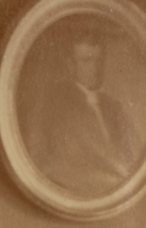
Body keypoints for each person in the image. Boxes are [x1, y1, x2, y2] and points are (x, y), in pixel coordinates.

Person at [23, 26, 139, 196]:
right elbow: (39, 163)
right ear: (71, 65)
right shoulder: (52, 105)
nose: (95, 68)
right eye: (86, 61)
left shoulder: (114, 107)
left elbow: (135, 157)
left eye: (99, 61)